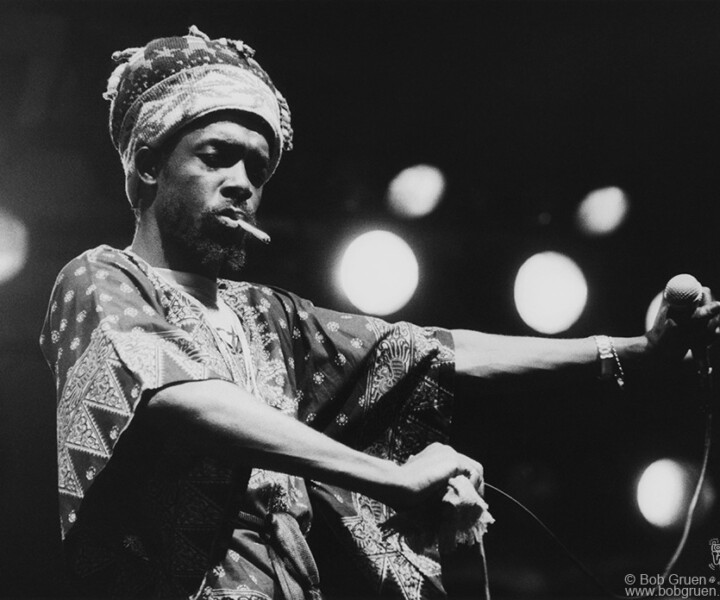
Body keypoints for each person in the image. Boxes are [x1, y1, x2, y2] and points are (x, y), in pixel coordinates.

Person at [39, 26, 720, 600]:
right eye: (217, 157)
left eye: (257, 169)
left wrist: (634, 349)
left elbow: (435, 349)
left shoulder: (270, 318)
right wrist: (392, 479)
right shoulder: (98, 276)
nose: (243, 184)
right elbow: (177, 398)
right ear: (149, 164)